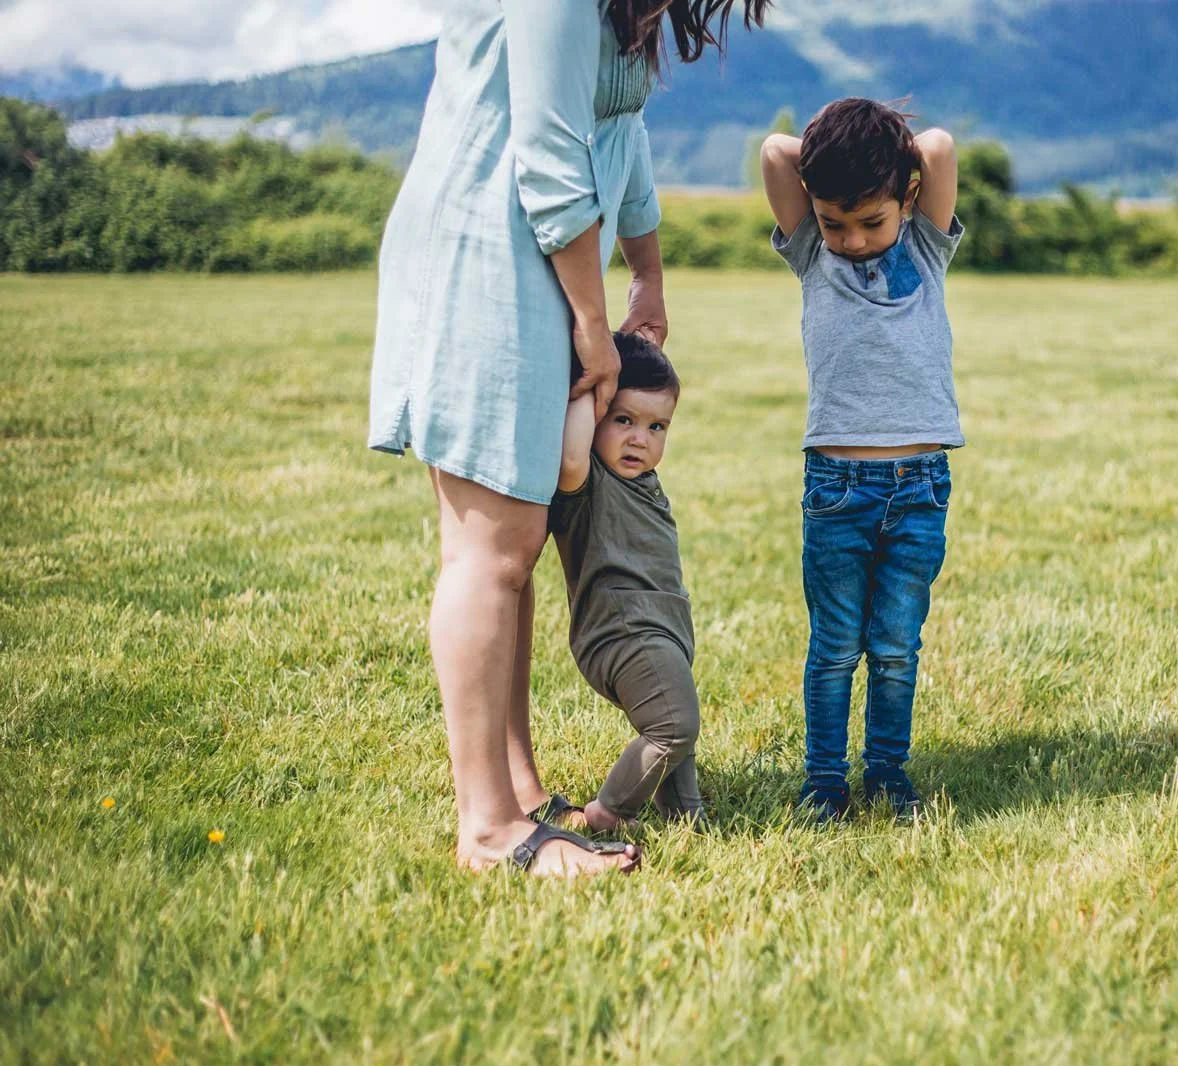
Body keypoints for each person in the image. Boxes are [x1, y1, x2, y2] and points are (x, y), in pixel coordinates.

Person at [367, 0, 768, 876]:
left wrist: (649, 272)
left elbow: (617, 130)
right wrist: (593, 318)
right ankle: (487, 831)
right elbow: (550, 155)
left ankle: (515, 793)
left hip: (541, 254)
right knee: (491, 550)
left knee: (520, 539)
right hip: (490, 252)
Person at [760, 98, 964, 823]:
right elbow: (777, 151)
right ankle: (824, 780)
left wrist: (895, 166)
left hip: (919, 487)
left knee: (897, 647)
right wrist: (830, 173)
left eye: (870, 222)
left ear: (907, 199)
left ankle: (887, 773)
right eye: (834, 221)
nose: (850, 239)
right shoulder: (812, 254)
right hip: (837, 489)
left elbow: (936, 144)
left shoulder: (926, 248)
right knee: (836, 647)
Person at [545, 333, 703, 834]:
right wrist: (589, 389)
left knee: (674, 724)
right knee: (673, 725)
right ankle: (609, 811)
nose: (641, 438)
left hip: (660, 626)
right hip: (621, 630)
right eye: (623, 420)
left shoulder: (641, 478)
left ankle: (684, 813)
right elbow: (569, 460)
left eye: (657, 426)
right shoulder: (586, 479)